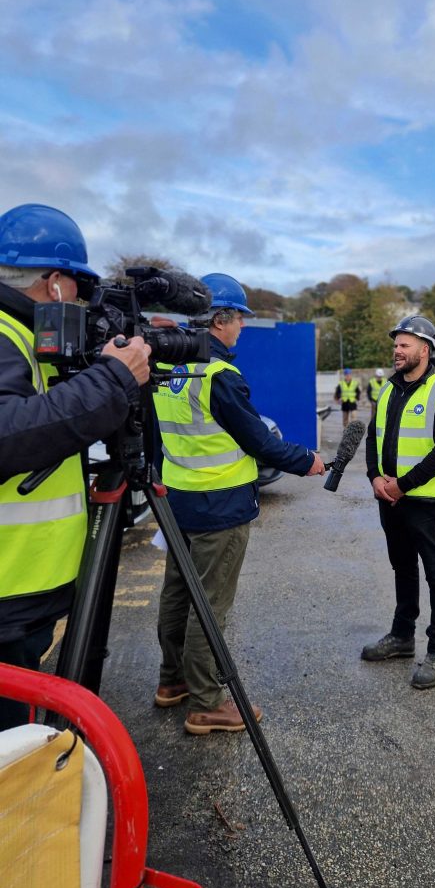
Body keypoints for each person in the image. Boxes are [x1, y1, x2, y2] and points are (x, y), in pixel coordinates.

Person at [153, 272, 325, 735]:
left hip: (179, 504)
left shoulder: (167, 369)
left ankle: (172, 683)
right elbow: (259, 443)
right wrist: (305, 460)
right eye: (240, 319)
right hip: (221, 507)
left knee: (177, 594)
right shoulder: (220, 375)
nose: (243, 328)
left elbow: (157, 441)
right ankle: (206, 702)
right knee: (209, 604)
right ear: (220, 320)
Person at [0, 203, 151, 729]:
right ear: (56, 282)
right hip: (7, 594)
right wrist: (112, 379)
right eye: (80, 291)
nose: (83, 304)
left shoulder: (20, 338)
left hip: (19, 592)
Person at [362, 316, 435, 690]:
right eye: (396, 345)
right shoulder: (388, 390)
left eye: (405, 345)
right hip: (389, 496)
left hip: (422, 499)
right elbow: (373, 438)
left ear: (425, 350)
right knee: (402, 567)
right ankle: (402, 637)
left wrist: (402, 485)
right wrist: (375, 476)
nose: (397, 350)